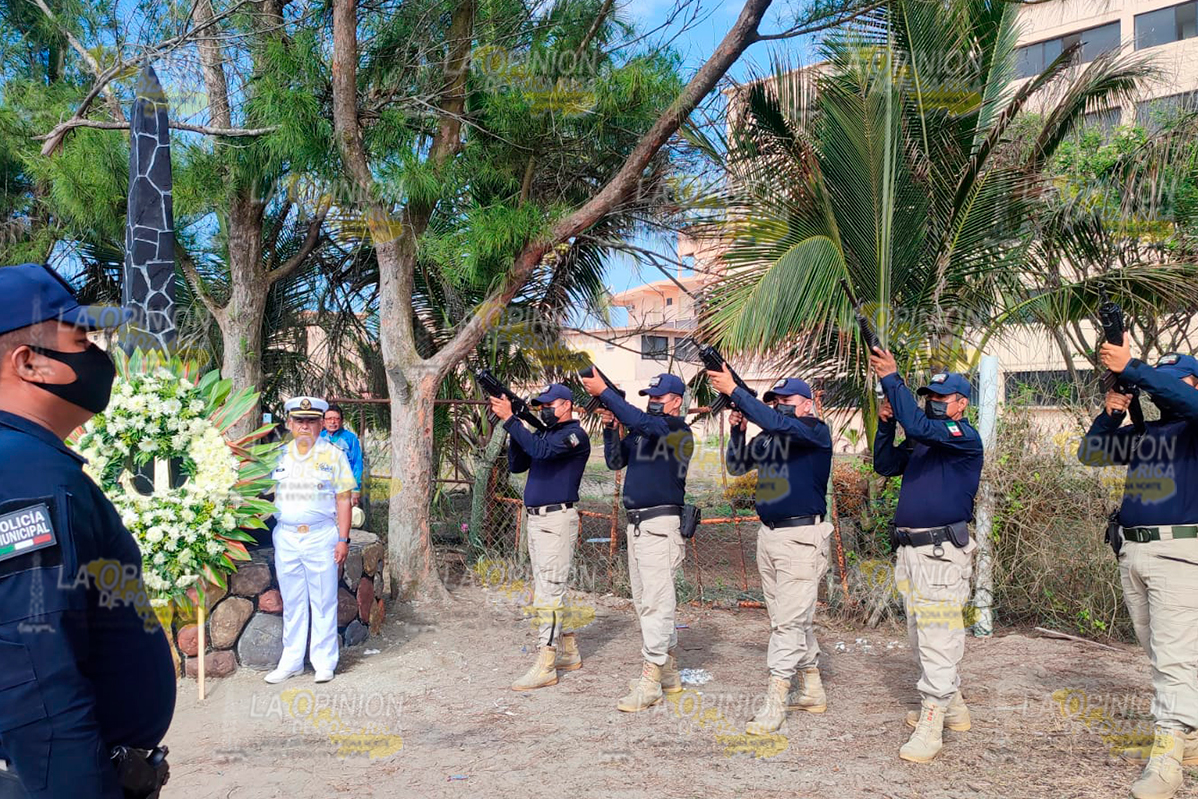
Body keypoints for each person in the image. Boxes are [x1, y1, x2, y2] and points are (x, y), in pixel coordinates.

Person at [0, 263, 175, 798]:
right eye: (82, 340)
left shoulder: (27, 459)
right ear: (30, 363)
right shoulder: (25, 473)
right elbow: (34, 671)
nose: (100, 355)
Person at [1076, 343, 1198, 799]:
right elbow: (1093, 453)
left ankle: (1167, 761)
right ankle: (1187, 738)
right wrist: (1111, 413)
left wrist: (1135, 369)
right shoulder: (1149, 433)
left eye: (1178, 378)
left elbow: (1186, 399)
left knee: (1174, 657)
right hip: (1135, 554)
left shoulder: (1193, 423)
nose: (1168, 388)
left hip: (1180, 555)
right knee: (1162, 652)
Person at [869, 348, 983, 764]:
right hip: (912, 551)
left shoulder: (962, 438)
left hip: (940, 552)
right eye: (929, 398)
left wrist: (891, 379)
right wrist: (885, 426)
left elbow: (916, 422)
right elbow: (884, 464)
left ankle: (932, 721)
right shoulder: (923, 440)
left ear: (961, 403)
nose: (933, 403)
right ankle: (953, 709)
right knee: (921, 635)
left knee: (938, 634)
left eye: (941, 398)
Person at [710, 367, 833, 735]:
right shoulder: (771, 438)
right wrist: (738, 429)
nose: (780, 406)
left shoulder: (813, 430)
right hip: (770, 536)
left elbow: (785, 426)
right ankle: (812, 687)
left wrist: (737, 391)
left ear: (808, 405)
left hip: (801, 539)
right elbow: (736, 466)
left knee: (786, 623)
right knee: (787, 618)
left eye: (787, 401)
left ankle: (775, 702)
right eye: (775, 402)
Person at [581, 371, 694, 712]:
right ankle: (669, 673)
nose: (652, 401)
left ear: (676, 400)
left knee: (656, 603)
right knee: (646, 601)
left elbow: (647, 424)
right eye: (650, 396)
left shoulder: (676, 430)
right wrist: (611, 426)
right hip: (639, 527)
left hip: (661, 525)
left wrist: (607, 393)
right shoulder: (645, 432)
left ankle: (650, 681)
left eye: (659, 397)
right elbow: (616, 460)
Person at [488, 383, 591, 691]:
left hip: (557, 520)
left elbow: (541, 451)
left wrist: (512, 421)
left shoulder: (573, 436)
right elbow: (519, 464)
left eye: (550, 404)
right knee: (548, 586)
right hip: (537, 521)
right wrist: (515, 428)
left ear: (566, 406)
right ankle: (569, 650)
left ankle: (546, 661)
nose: (544, 409)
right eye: (540, 405)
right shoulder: (544, 435)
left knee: (549, 592)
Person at [265, 396, 355, 685]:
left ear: (320, 424)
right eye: (299, 420)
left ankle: (324, 661)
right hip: (287, 537)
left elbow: (344, 500)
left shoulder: (334, 455)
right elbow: (263, 493)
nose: (305, 426)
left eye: (311, 420)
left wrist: (343, 539)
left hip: (321, 536)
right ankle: (291, 661)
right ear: (290, 423)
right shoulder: (278, 455)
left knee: (323, 600)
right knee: (292, 602)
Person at [321, 404, 364, 507]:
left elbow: (357, 464)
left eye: (336, 419)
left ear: (342, 421)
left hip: (345, 487)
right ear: (323, 421)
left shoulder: (350, 438)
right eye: (329, 419)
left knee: (344, 519)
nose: (332, 422)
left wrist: (356, 489)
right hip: (323, 489)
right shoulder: (319, 437)